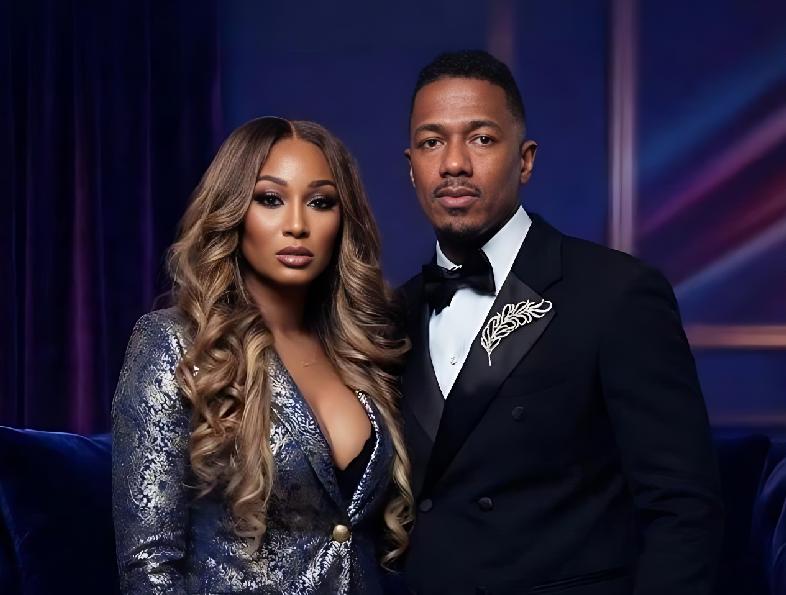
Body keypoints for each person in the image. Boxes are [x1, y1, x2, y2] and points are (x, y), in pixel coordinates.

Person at [398, 50, 724, 595]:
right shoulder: (389, 315)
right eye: (432, 142)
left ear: (525, 160)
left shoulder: (616, 293)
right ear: (411, 167)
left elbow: (684, 511)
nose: (454, 163)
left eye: (481, 138)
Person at [112, 116, 413, 594]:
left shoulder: (362, 351)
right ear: (233, 211)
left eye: (320, 202)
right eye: (270, 199)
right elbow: (149, 564)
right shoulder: (175, 343)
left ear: (343, 220)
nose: (297, 225)